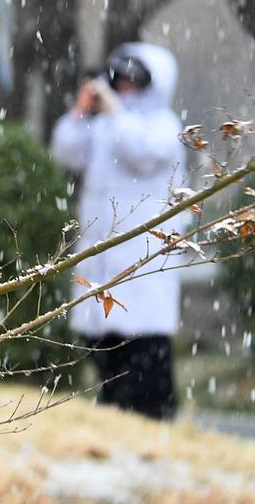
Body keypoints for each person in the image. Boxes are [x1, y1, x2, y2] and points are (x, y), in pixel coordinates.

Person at [50, 42, 186, 420]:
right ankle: (114, 413)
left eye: (132, 81)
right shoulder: (105, 125)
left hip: (142, 258)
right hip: (102, 258)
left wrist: (113, 105)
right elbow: (65, 152)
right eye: (119, 79)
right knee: (104, 344)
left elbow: (140, 150)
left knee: (143, 350)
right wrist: (82, 109)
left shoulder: (162, 125)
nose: (124, 88)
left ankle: (154, 418)